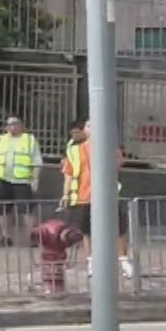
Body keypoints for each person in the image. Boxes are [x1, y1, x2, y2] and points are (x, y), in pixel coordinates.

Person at [64, 119, 132, 282]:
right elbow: (68, 173)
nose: (92, 128)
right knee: (86, 231)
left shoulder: (109, 147)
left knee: (119, 227)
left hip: (108, 195)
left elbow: (118, 164)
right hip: (83, 196)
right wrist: (65, 194)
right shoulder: (75, 150)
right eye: (88, 125)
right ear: (84, 130)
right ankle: (91, 261)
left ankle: (122, 260)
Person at [0, 116, 41, 247]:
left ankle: (32, 237)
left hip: (22, 181)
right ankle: (5, 237)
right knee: (3, 210)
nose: (11, 126)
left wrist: (35, 180)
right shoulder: (0, 140)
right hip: (3, 180)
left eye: (14, 124)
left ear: (21, 125)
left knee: (27, 210)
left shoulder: (29, 140)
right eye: (9, 124)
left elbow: (37, 162)